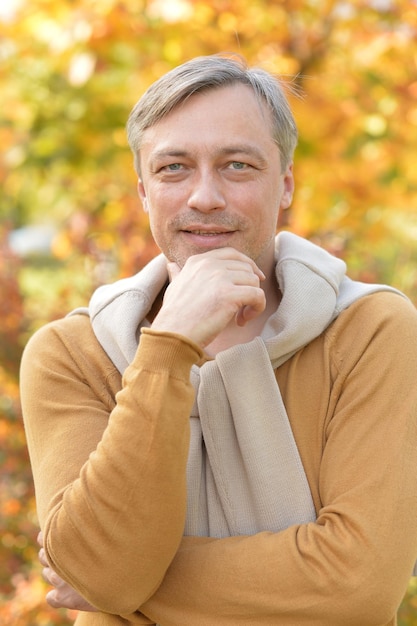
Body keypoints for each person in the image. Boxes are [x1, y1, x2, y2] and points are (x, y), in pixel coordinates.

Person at [20, 54, 417, 626]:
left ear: (284, 187)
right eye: (174, 168)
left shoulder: (369, 330)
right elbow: (98, 571)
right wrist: (169, 349)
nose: (204, 196)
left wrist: (127, 586)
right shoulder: (73, 355)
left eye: (237, 165)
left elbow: (357, 586)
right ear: (143, 191)